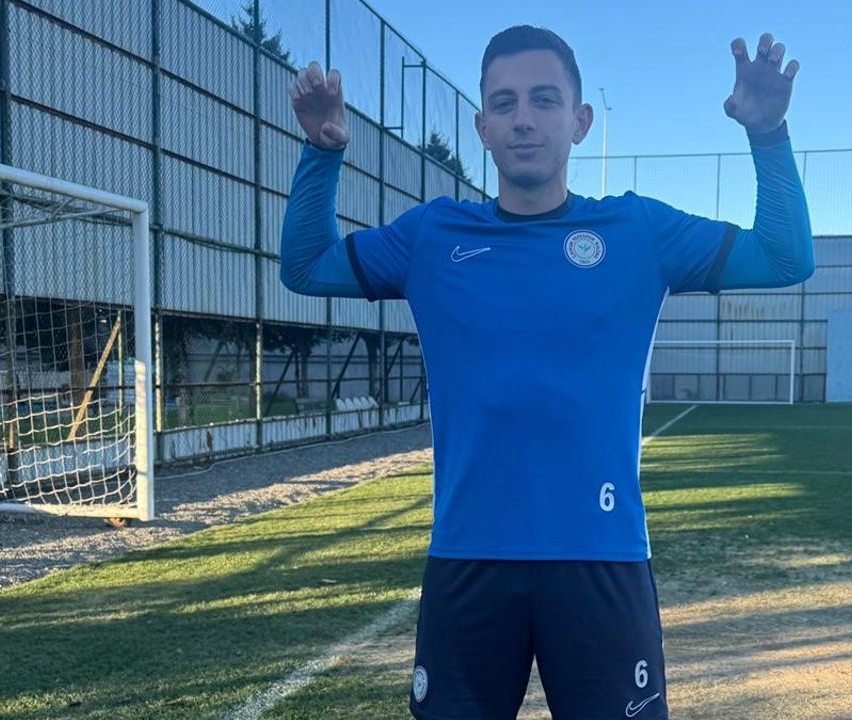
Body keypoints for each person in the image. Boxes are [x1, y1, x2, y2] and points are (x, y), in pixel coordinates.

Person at [281, 24, 813, 720]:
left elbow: (785, 257)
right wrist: (322, 154)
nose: (523, 118)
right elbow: (306, 268)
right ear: (482, 128)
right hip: (469, 559)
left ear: (579, 121)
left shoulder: (637, 232)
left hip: (602, 561)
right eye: (503, 103)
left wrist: (768, 134)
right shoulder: (432, 237)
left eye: (543, 99)